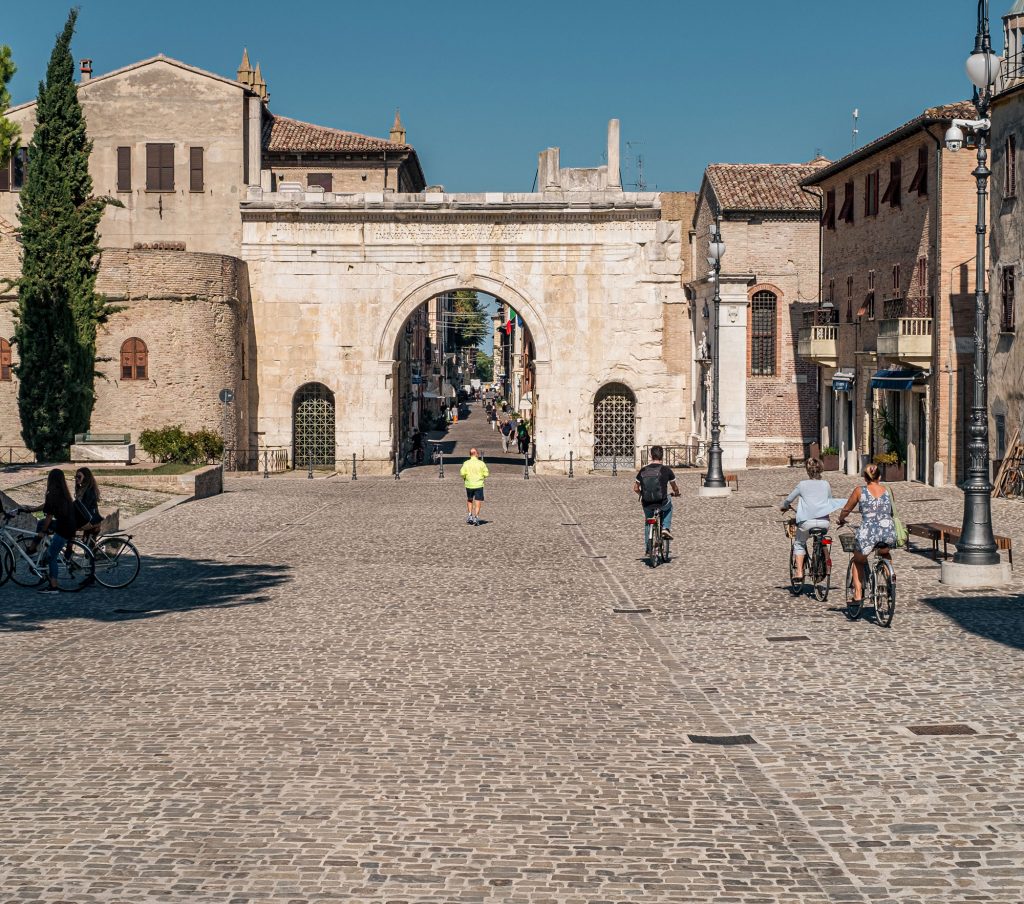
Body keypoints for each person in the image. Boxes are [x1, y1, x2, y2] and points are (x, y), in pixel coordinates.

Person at [837, 463, 897, 605]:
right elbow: (891, 511)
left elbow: (846, 509)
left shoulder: (860, 491)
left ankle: (857, 595)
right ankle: (890, 582)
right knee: (884, 553)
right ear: (880, 477)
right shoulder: (888, 490)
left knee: (858, 560)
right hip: (888, 531)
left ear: (865, 478)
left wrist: (841, 519)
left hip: (868, 534)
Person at [16, 469, 78, 593]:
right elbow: (47, 506)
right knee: (40, 523)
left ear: (50, 479)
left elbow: (49, 516)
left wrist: (43, 531)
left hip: (63, 528)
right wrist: (31, 510)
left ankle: (53, 586)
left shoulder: (51, 493)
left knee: (51, 556)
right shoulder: (64, 493)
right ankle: (33, 548)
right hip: (70, 526)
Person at [779, 457, 841, 581]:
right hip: (824, 523)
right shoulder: (826, 484)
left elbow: (789, 499)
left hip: (807, 522)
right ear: (820, 469)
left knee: (799, 543)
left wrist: (784, 507)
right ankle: (822, 555)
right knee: (821, 539)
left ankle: (800, 572)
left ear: (808, 471)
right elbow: (829, 500)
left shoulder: (802, 485)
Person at [633, 445, 680, 540]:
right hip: (662, 502)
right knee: (669, 507)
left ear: (651, 456)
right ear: (662, 456)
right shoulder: (666, 470)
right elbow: (674, 487)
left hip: (647, 503)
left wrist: (641, 494)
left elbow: (635, 488)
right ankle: (665, 528)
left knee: (648, 521)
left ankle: (648, 548)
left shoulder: (643, 470)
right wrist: (676, 493)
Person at [74, 466, 104, 546]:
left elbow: (84, 507)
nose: (77, 478)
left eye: (79, 477)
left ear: (86, 478)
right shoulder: (82, 489)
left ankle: (68, 552)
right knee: (89, 547)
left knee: (69, 529)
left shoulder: (89, 491)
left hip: (91, 521)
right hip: (91, 520)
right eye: (76, 477)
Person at [460, 447, 489, 526]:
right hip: (478, 484)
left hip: (469, 484)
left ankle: (470, 516)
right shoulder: (481, 463)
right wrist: (481, 476)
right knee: (478, 501)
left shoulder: (466, 463)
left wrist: (465, 478)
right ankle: (476, 517)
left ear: (470, 455)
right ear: (476, 454)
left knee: (469, 500)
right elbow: (486, 474)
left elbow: (462, 473)